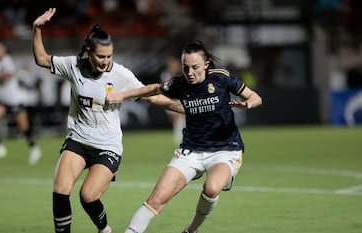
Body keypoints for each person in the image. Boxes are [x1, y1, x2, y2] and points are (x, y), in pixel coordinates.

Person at [32, 8, 183, 233]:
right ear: (88, 52)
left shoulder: (120, 74)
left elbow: (152, 96)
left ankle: (104, 229)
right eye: (100, 56)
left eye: (109, 56)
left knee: (87, 196)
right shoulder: (74, 66)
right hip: (78, 140)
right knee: (60, 190)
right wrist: (37, 28)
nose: (105, 62)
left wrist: (183, 107)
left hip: (107, 145)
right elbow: (42, 59)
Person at [106, 40, 263, 233]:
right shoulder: (179, 83)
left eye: (195, 67)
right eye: (185, 68)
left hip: (225, 149)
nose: (190, 73)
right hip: (191, 151)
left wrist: (248, 104)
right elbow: (154, 89)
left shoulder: (221, 78)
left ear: (205, 64)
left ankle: (190, 230)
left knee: (212, 188)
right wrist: (123, 95)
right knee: (157, 198)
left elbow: (256, 97)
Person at [0, 40, 41, 165]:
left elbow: (10, 75)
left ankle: (34, 148)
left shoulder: (7, 60)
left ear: (4, 50)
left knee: (23, 127)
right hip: (1, 99)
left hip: (13, 99)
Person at [159, 54, 186, 144]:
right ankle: (179, 136)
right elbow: (163, 88)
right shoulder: (165, 75)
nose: (172, 66)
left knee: (179, 117)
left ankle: (179, 138)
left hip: (179, 99)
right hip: (169, 99)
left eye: (174, 64)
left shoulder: (181, 75)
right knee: (174, 119)